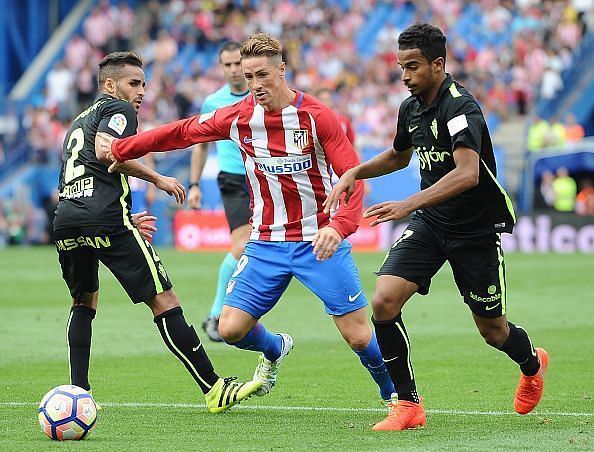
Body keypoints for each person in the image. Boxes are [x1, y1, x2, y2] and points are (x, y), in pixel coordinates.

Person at [98, 33, 396, 405]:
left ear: (282, 70)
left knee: (357, 336)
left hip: (317, 241)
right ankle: (275, 348)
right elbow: (182, 132)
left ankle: (394, 394)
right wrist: (122, 148)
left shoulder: (319, 118)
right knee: (230, 329)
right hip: (266, 242)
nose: (255, 85)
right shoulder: (239, 117)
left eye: (262, 75)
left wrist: (338, 227)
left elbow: (354, 181)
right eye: (249, 76)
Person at [324, 23, 549, 431]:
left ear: (438, 64)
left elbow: (467, 175)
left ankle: (532, 363)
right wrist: (354, 172)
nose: (405, 75)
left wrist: (407, 203)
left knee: (493, 330)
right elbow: (398, 155)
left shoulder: (461, 108)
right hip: (431, 223)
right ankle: (408, 404)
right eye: (400, 67)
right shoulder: (410, 108)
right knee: (384, 301)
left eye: (413, 66)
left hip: (474, 230)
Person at [53, 51, 261, 414]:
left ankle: (78, 393)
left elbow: (88, 169)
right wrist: (159, 178)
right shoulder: (118, 110)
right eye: (134, 84)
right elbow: (105, 152)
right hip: (104, 219)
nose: (141, 92)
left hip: (67, 219)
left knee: (83, 301)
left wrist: (127, 218)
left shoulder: (78, 119)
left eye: (144, 84)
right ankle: (213, 388)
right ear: (110, 84)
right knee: (164, 299)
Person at [188, 42, 252, 343]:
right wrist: (195, 184)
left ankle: (243, 313)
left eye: (237, 63)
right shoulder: (213, 102)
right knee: (241, 246)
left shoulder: (261, 95)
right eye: (227, 65)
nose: (233, 70)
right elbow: (200, 146)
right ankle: (216, 314)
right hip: (235, 180)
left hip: (267, 177)